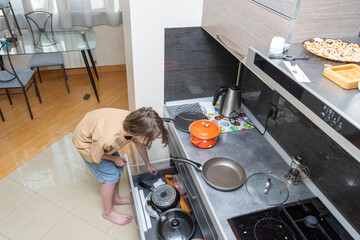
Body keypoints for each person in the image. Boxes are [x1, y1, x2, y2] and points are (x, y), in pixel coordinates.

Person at [72, 107, 169, 225]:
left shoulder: (134, 123)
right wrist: (113, 158)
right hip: (87, 144)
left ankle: (116, 199)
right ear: (139, 133)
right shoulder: (107, 139)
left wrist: (147, 164)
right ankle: (108, 212)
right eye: (151, 138)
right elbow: (95, 154)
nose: (153, 140)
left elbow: (140, 144)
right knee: (110, 178)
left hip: (96, 130)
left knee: (117, 168)